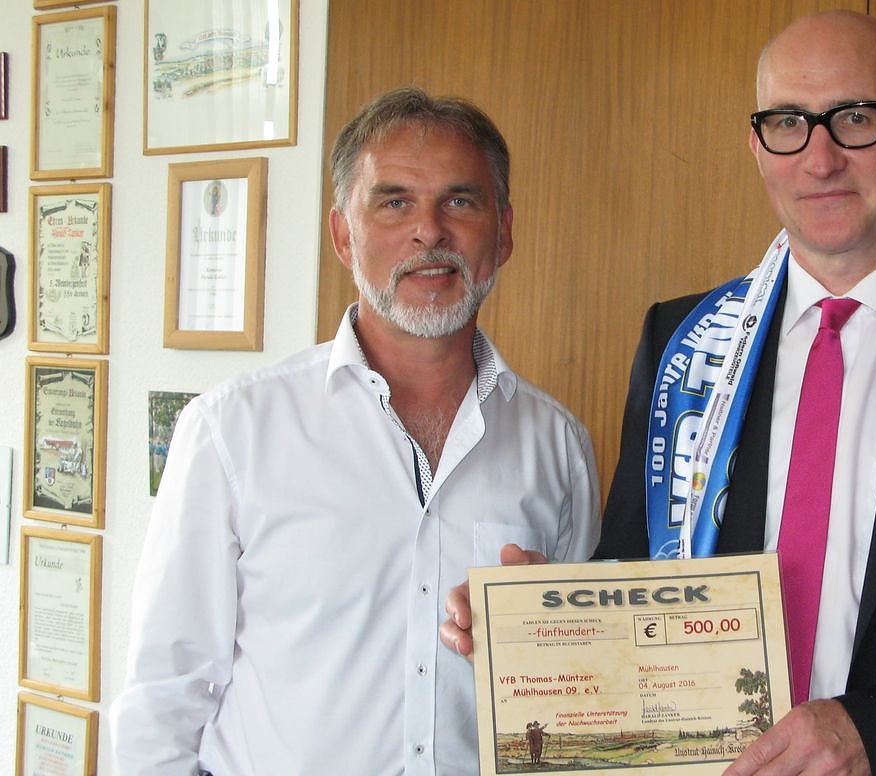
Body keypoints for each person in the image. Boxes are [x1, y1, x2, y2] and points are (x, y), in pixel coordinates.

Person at [444, 11, 876, 774]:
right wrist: (547, 621)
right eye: (788, 122)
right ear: (758, 147)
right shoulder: (684, 345)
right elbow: (639, 578)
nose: (821, 159)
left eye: (856, 117)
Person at [112, 87, 601, 776]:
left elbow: (578, 691)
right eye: (394, 202)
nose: (429, 232)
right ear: (343, 235)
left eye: (461, 201)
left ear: (504, 233)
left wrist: (555, 631)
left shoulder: (558, 446)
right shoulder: (233, 431)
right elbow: (165, 696)